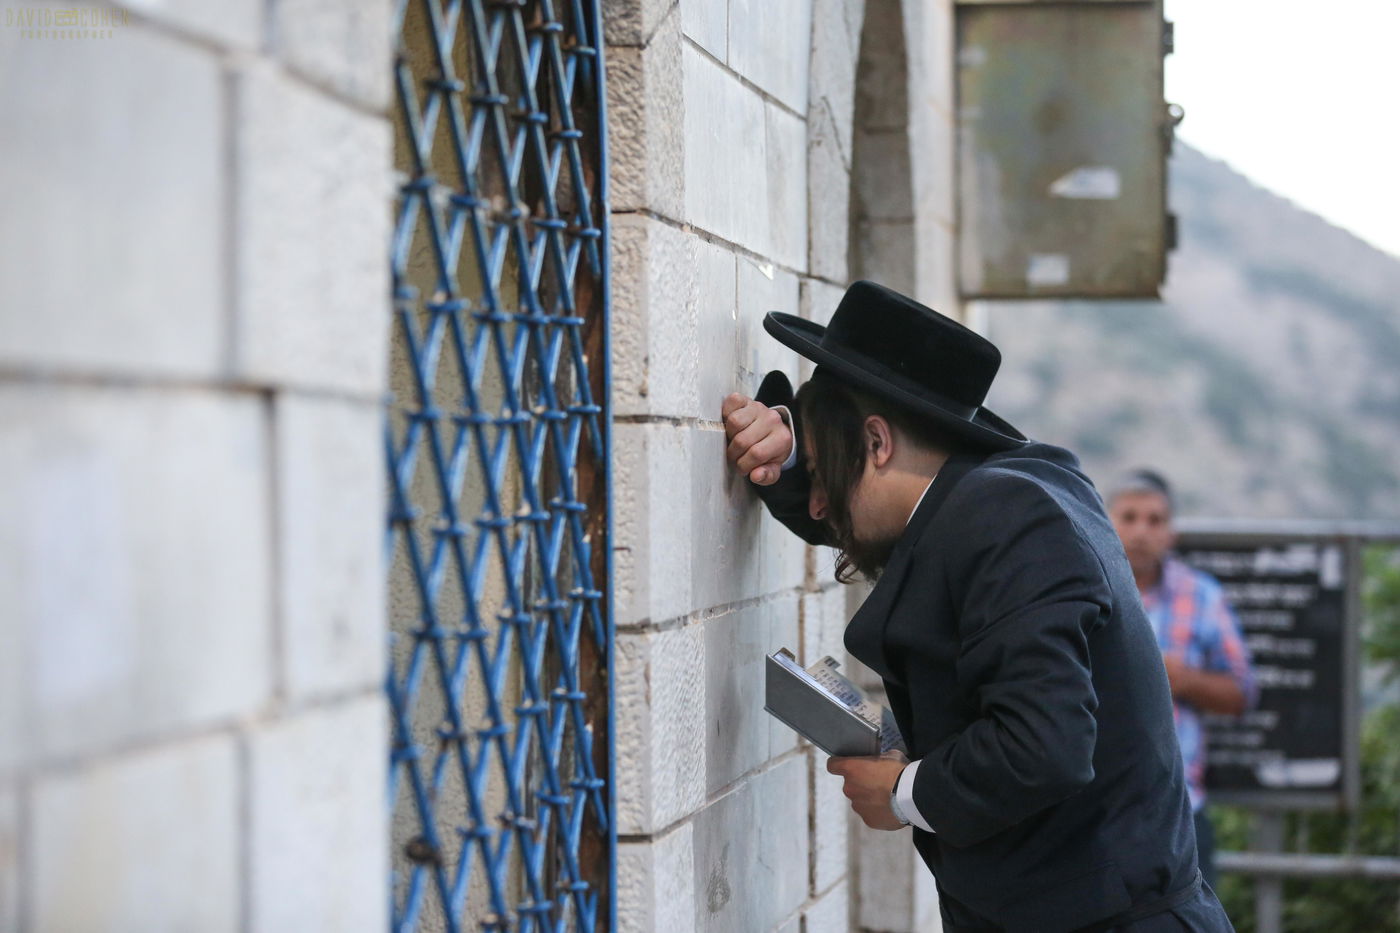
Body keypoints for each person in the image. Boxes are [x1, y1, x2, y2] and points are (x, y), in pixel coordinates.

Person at [721, 281, 1234, 932]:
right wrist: (792, 453)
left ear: (878, 443)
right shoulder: (1005, 495)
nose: (817, 507)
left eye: (824, 476)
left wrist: (902, 792)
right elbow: (860, 521)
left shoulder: (1005, 520)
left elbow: (1044, 743)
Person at [1107, 469, 1256, 890]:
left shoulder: (1203, 596)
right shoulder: (1083, 588)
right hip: (1095, 809)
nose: (1141, 531)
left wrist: (1182, 679)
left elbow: (1243, 694)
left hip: (1181, 812)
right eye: (1129, 517)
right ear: (1105, 521)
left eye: (1155, 520)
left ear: (1171, 532)